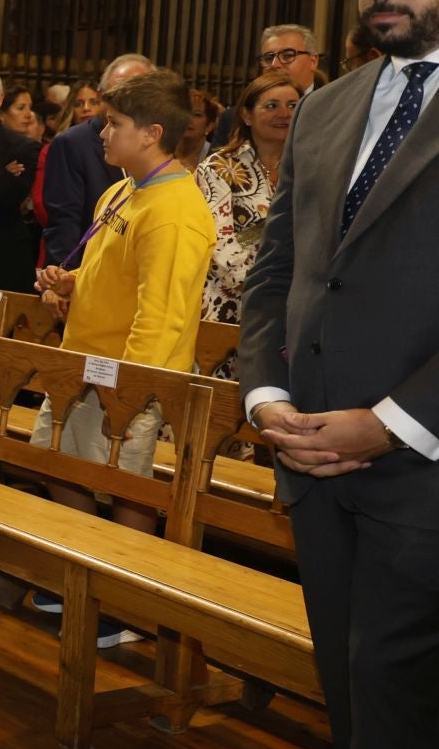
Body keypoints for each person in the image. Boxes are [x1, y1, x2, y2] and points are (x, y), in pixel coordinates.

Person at [240, 0, 439, 749]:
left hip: (423, 468)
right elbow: (276, 270)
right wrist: (268, 393)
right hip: (313, 462)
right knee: (360, 711)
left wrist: (393, 421)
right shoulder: (327, 107)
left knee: (406, 713)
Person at [32, 69, 215, 566]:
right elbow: (112, 273)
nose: (102, 132)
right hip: (84, 361)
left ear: (152, 134)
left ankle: (125, 597)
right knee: (58, 464)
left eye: (114, 123)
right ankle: (84, 574)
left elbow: (163, 316)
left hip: (126, 377)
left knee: (125, 485)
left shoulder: (174, 211)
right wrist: (69, 284)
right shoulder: (121, 191)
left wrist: (130, 396)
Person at [196, 71, 299, 328]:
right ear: (246, 115)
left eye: (293, 106)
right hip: (230, 302)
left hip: (295, 305)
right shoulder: (218, 167)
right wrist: (269, 291)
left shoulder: (311, 167)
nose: (284, 114)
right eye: (271, 106)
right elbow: (219, 245)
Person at [38, 54, 152, 266]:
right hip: (87, 272)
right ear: (102, 96)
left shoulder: (153, 140)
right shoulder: (72, 143)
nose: (125, 101)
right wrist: (63, 278)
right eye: (117, 92)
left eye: (137, 93)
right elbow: (64, 222)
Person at [0, 62, 41, 291]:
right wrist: (2, 171)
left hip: (2, 260)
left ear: (0, 99)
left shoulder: (25, 147)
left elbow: (8, 197)